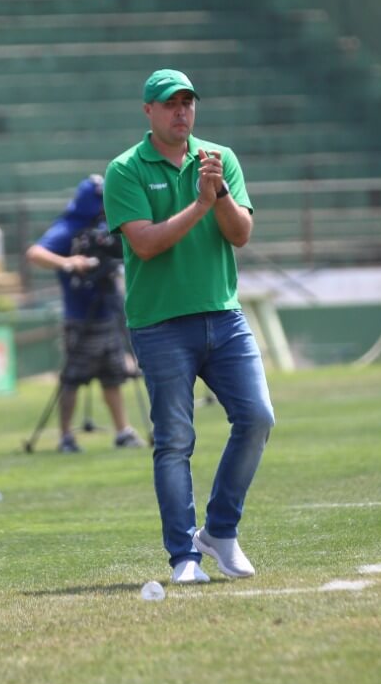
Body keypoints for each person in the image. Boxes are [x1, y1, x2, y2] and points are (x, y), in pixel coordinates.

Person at [103, 69, 275, 585]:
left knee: (258, 418)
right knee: (175, 440)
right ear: (148, 112)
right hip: (159, 325)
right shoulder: (125, 169)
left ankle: (219, 532)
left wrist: (217, 192)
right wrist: (199, 203)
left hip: (223, 315)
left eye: (188, 102)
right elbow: (146, 244)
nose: (182, 112)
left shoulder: (220, 160)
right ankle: (184, 556)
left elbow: (240, 234)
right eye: (170, 103)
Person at [24, 175, 145, 452]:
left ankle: (122, 431)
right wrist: (69, 262)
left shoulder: (109, 226)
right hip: (79, 315)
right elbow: (35, 253)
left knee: (113, 376)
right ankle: (65, 436)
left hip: (108, 311)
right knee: (73, 378)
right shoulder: (68, 227)